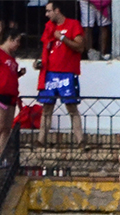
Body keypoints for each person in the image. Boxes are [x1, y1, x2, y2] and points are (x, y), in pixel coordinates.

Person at [39, 1, 87, 146]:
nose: (46, 14)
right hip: (50, 73)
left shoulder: (73, 25)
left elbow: (80, 47)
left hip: (67, 73)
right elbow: (45, 48)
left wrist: (62, 38)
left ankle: (80, 141)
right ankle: (41, 140)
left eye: (49, 11)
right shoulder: (49, 27)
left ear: (57, 10)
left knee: (72, 107)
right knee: (46, 108)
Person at [0, 30, 25, 165]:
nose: (18, 45)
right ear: (10, 38)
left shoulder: (11, 58)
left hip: (11, 95)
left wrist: (18, 74)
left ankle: (3, 157)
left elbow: (7, 76)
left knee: (7, 128)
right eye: (17, 41)